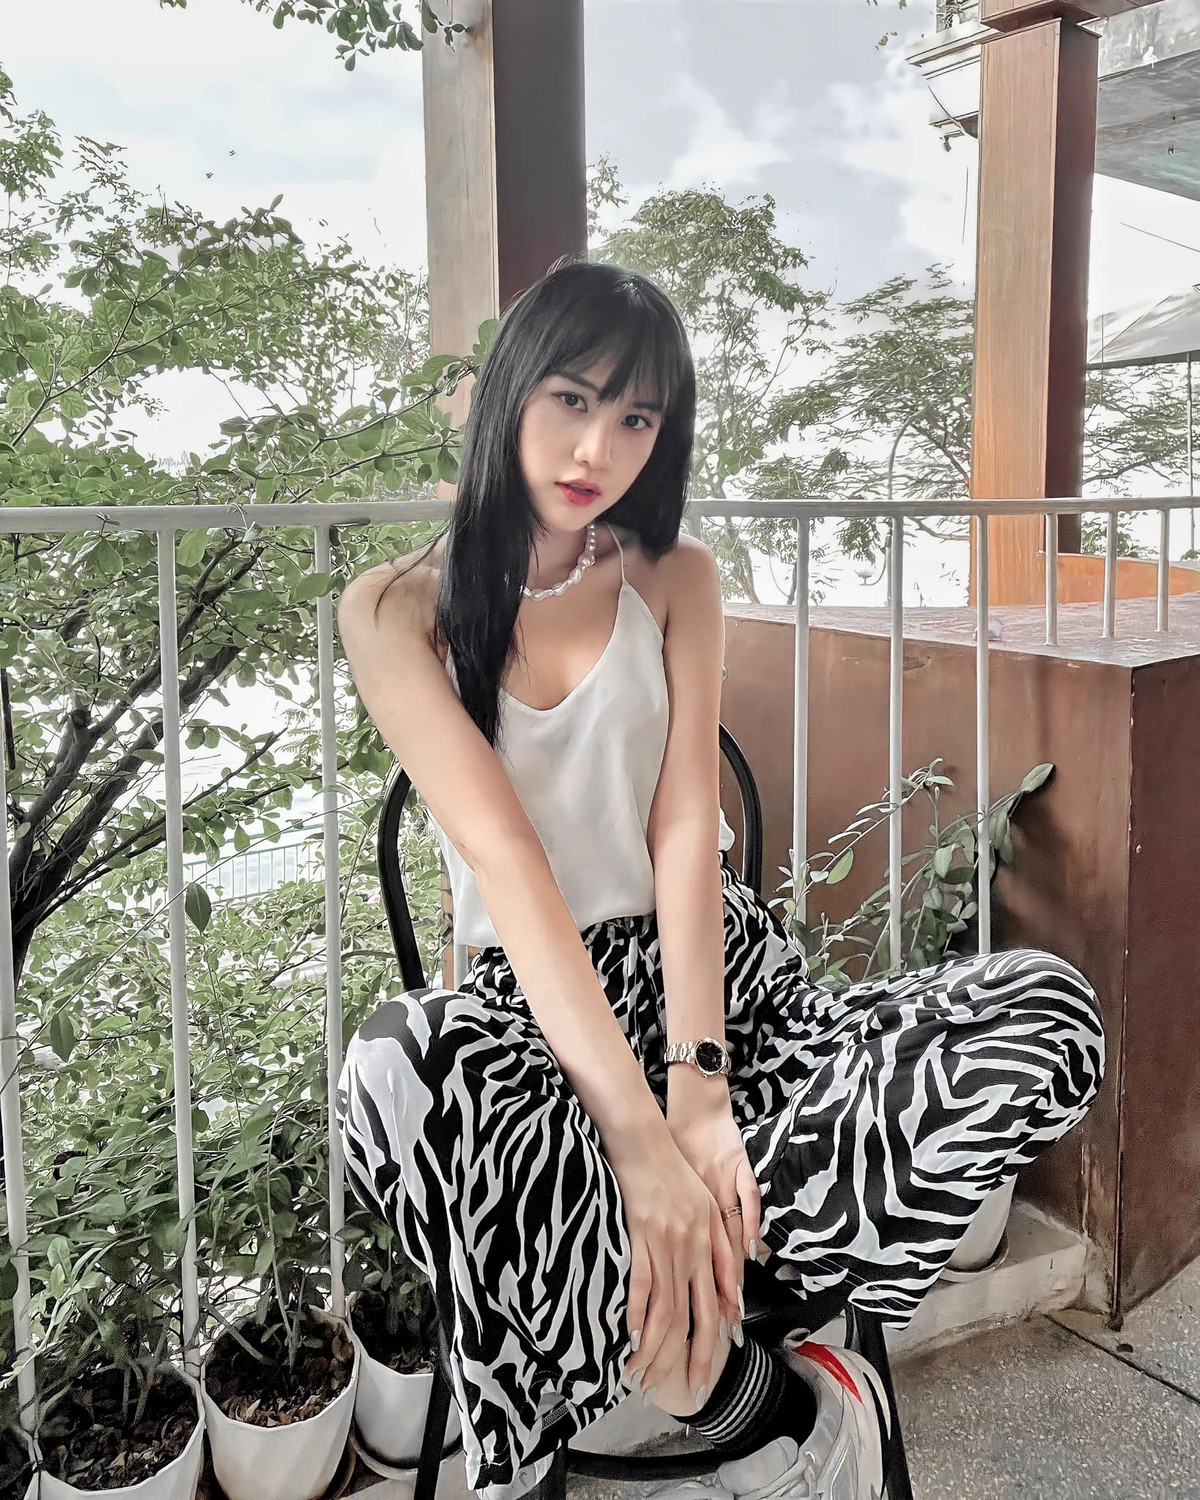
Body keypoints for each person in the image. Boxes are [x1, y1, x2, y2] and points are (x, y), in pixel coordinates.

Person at [333, 256, 1106, 1500]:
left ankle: (701, 1309)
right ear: (510, 389)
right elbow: (511, 865)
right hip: (541, 1017)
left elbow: (686, 827)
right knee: (392, 1067)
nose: (599, 448)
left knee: (1046, 1014)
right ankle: (768, 1410)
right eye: (573, 400)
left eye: (636, 418)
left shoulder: (673, 575)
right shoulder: (393, 609)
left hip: (719, 990)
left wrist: (699, 1094)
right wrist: (639, 1143)